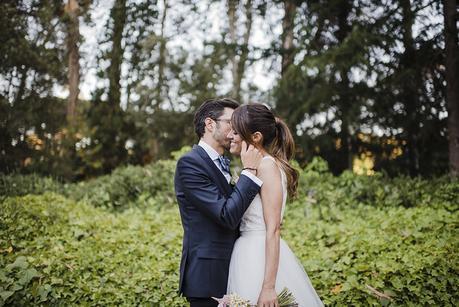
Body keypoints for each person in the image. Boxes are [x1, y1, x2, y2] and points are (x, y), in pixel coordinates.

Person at [226, 103, 323, 307]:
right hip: (245, 253)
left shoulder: (267, 166)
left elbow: (274, 228)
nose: (230, 136)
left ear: (256, 137)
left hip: (260, 256)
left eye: (235, 132)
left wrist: (268, 287)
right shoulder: (252, 167)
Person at [174, 98, 264, 307]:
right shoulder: (190, 164)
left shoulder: (226, 164)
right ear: (210, 124)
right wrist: (249, 172)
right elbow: (226, 215)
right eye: (231, 123)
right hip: (208, 278)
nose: (236, 131)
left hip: (236, 270)